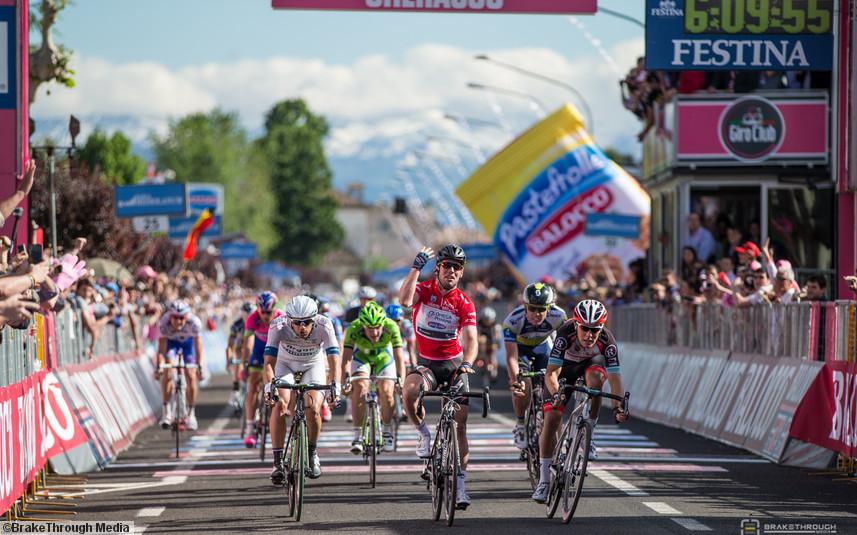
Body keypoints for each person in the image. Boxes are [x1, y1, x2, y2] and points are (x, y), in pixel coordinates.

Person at [399, 244, 478, 510]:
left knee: (460, 424)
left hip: (454, 366)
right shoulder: (424, 290)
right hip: (427, 364)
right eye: (447, 266)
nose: (451, 271)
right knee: (409, 391)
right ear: (438, 268)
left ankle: (461, 487)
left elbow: (471, 339)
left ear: (461, 272)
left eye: (457, 267)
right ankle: (423, 434)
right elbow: (404, 301)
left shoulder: (464, 302)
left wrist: (467, 363)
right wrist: (415, 268)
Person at [531, 299, 628, 503]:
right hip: (564, 370)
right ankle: (544, 480)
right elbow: (551, 373)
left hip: (590, 366)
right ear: (576, 324)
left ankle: (588, 433)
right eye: (585, 329)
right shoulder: (565, 333)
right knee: (552, 418)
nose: (589, 335)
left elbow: (615, 379)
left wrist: (618, 407)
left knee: (597, 381)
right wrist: (556, 394)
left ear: (602, 328)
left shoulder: (607, 341)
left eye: (595, 330)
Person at [265, 295, 341, 482]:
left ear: (314, 319)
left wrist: (335, 387)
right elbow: (268, 363)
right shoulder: (277, 326)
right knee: (280, 404)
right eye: (297, 323)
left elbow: (334, 360)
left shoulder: (325, 325)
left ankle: (312, 453)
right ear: (289, 320)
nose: (302, 327)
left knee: (313, 408)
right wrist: (269, 387)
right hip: (285, 365)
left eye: (307, 322)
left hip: (313, 365)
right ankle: (277, 462)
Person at [504, 283, 567, 450]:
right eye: (532, 308)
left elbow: (564, 350)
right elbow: (511, 357)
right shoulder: (512, 320)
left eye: (541, 309)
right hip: (521, 351)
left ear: (549, 307)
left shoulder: (559, 316)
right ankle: (520, 424)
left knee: (553, 388)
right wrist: (516, 381)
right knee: (523, 384)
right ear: (525, 306)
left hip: (543, 348)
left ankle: (558, 445)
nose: (536, 314)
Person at [341, 301, 406, 453]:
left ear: (383, 324)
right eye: (369, 328)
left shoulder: (392, 327)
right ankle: (358, 435)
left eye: (377, 327)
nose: (374, 332)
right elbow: (346, 359)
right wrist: (345, 380)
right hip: (361, 357)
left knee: (387, 390)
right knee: (360, 387)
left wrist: (400, 380)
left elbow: (399, 357)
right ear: (362, 325)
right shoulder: (353, 328)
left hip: (383, 358)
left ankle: (387, 430)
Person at [242, 291, 284, 447]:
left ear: (275, 308)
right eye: (263, 312)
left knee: (278, 384)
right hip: (259, 350)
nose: (265, 315)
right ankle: (250, 428)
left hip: (276, 351)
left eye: (268, 312)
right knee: (253, 385)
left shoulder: (281, 318)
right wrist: (246, 363)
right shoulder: (252, 318)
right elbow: (248, 343)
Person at [155, 300, 204, 431]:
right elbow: (161, 350)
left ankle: (191, 413)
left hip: (188, 345)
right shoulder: (164, 324)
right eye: (175, 318)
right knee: (168, 370)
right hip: (172, 345)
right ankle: (166, 411)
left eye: (181, 318)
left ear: (187, 317)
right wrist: (159, 366)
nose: (178, 321)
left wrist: (199, 364)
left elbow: (198, 346)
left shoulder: (194, 323)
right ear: (170, 316)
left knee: (191, 375)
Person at [227, 302, 253, 409]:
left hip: (253, 348)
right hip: (240, 348)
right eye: (246, 316)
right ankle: (236, 388)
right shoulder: (237, 325)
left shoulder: (257, 322)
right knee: (238, 363)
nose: (248, 318)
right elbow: (230, 345)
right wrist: (229, 359)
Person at [385, 303, 416, 370]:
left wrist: (414, 367)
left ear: (403, 318)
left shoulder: (408, 328)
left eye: (397, 321)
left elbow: (411, 351)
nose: (394, 324)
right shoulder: (383, 327)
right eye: (391, 321)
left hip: (403, 351)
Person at [476, 306, 501, 384]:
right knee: (480, 347)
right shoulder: (479, 324)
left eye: (488, 320)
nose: (487, 322)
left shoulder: (495, 325)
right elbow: (477, 334)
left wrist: (495, 343)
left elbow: (497, 336)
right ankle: (481, 361)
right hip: (483, 343)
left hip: (492, 341)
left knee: (492, 356)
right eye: (485, 320)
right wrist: (479, 339)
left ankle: (494, 371)